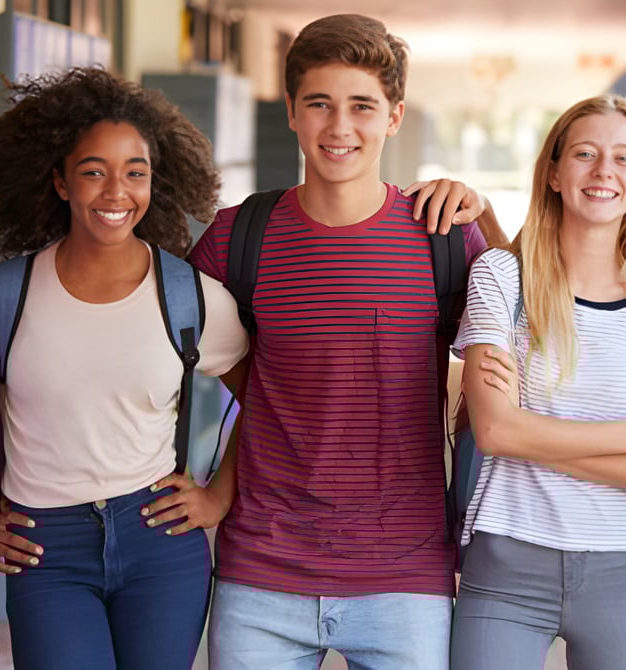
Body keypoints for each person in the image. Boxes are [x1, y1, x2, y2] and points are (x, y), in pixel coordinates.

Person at [184, 14, 497, 670]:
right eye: (319, 104)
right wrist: (210, 491)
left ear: (394, 116)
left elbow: (536, 337)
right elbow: (156, 352)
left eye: (362, 106)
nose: (339, 127)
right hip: (261, 571)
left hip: (404, 575)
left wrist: (484, 208)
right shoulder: (235, 239)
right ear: (292, 113)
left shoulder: (442, 238)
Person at [0, 67, 249, 669]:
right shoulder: (9, 294)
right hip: (44, 547)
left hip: (159, 542)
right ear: (60, 182)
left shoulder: (189, 296)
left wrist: (219, 497)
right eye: (93, 171)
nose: (116, 192)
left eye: (135, 172)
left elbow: (268, 396)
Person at [451, 93, 626, 670]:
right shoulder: (503, 277)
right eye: (585, 153)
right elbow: (495, 431)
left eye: (623, 158)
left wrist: (529, 433)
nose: (603, 171)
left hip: (623, 570)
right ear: (555, 173)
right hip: (506, 558)